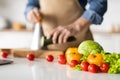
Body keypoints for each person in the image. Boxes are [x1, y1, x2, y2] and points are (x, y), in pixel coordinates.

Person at [24, 0, 107, 51]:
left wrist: (76, 26)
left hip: (81, 48)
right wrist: (30, 13)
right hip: (48, 50)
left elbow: (99, 3)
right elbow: (31, 5)